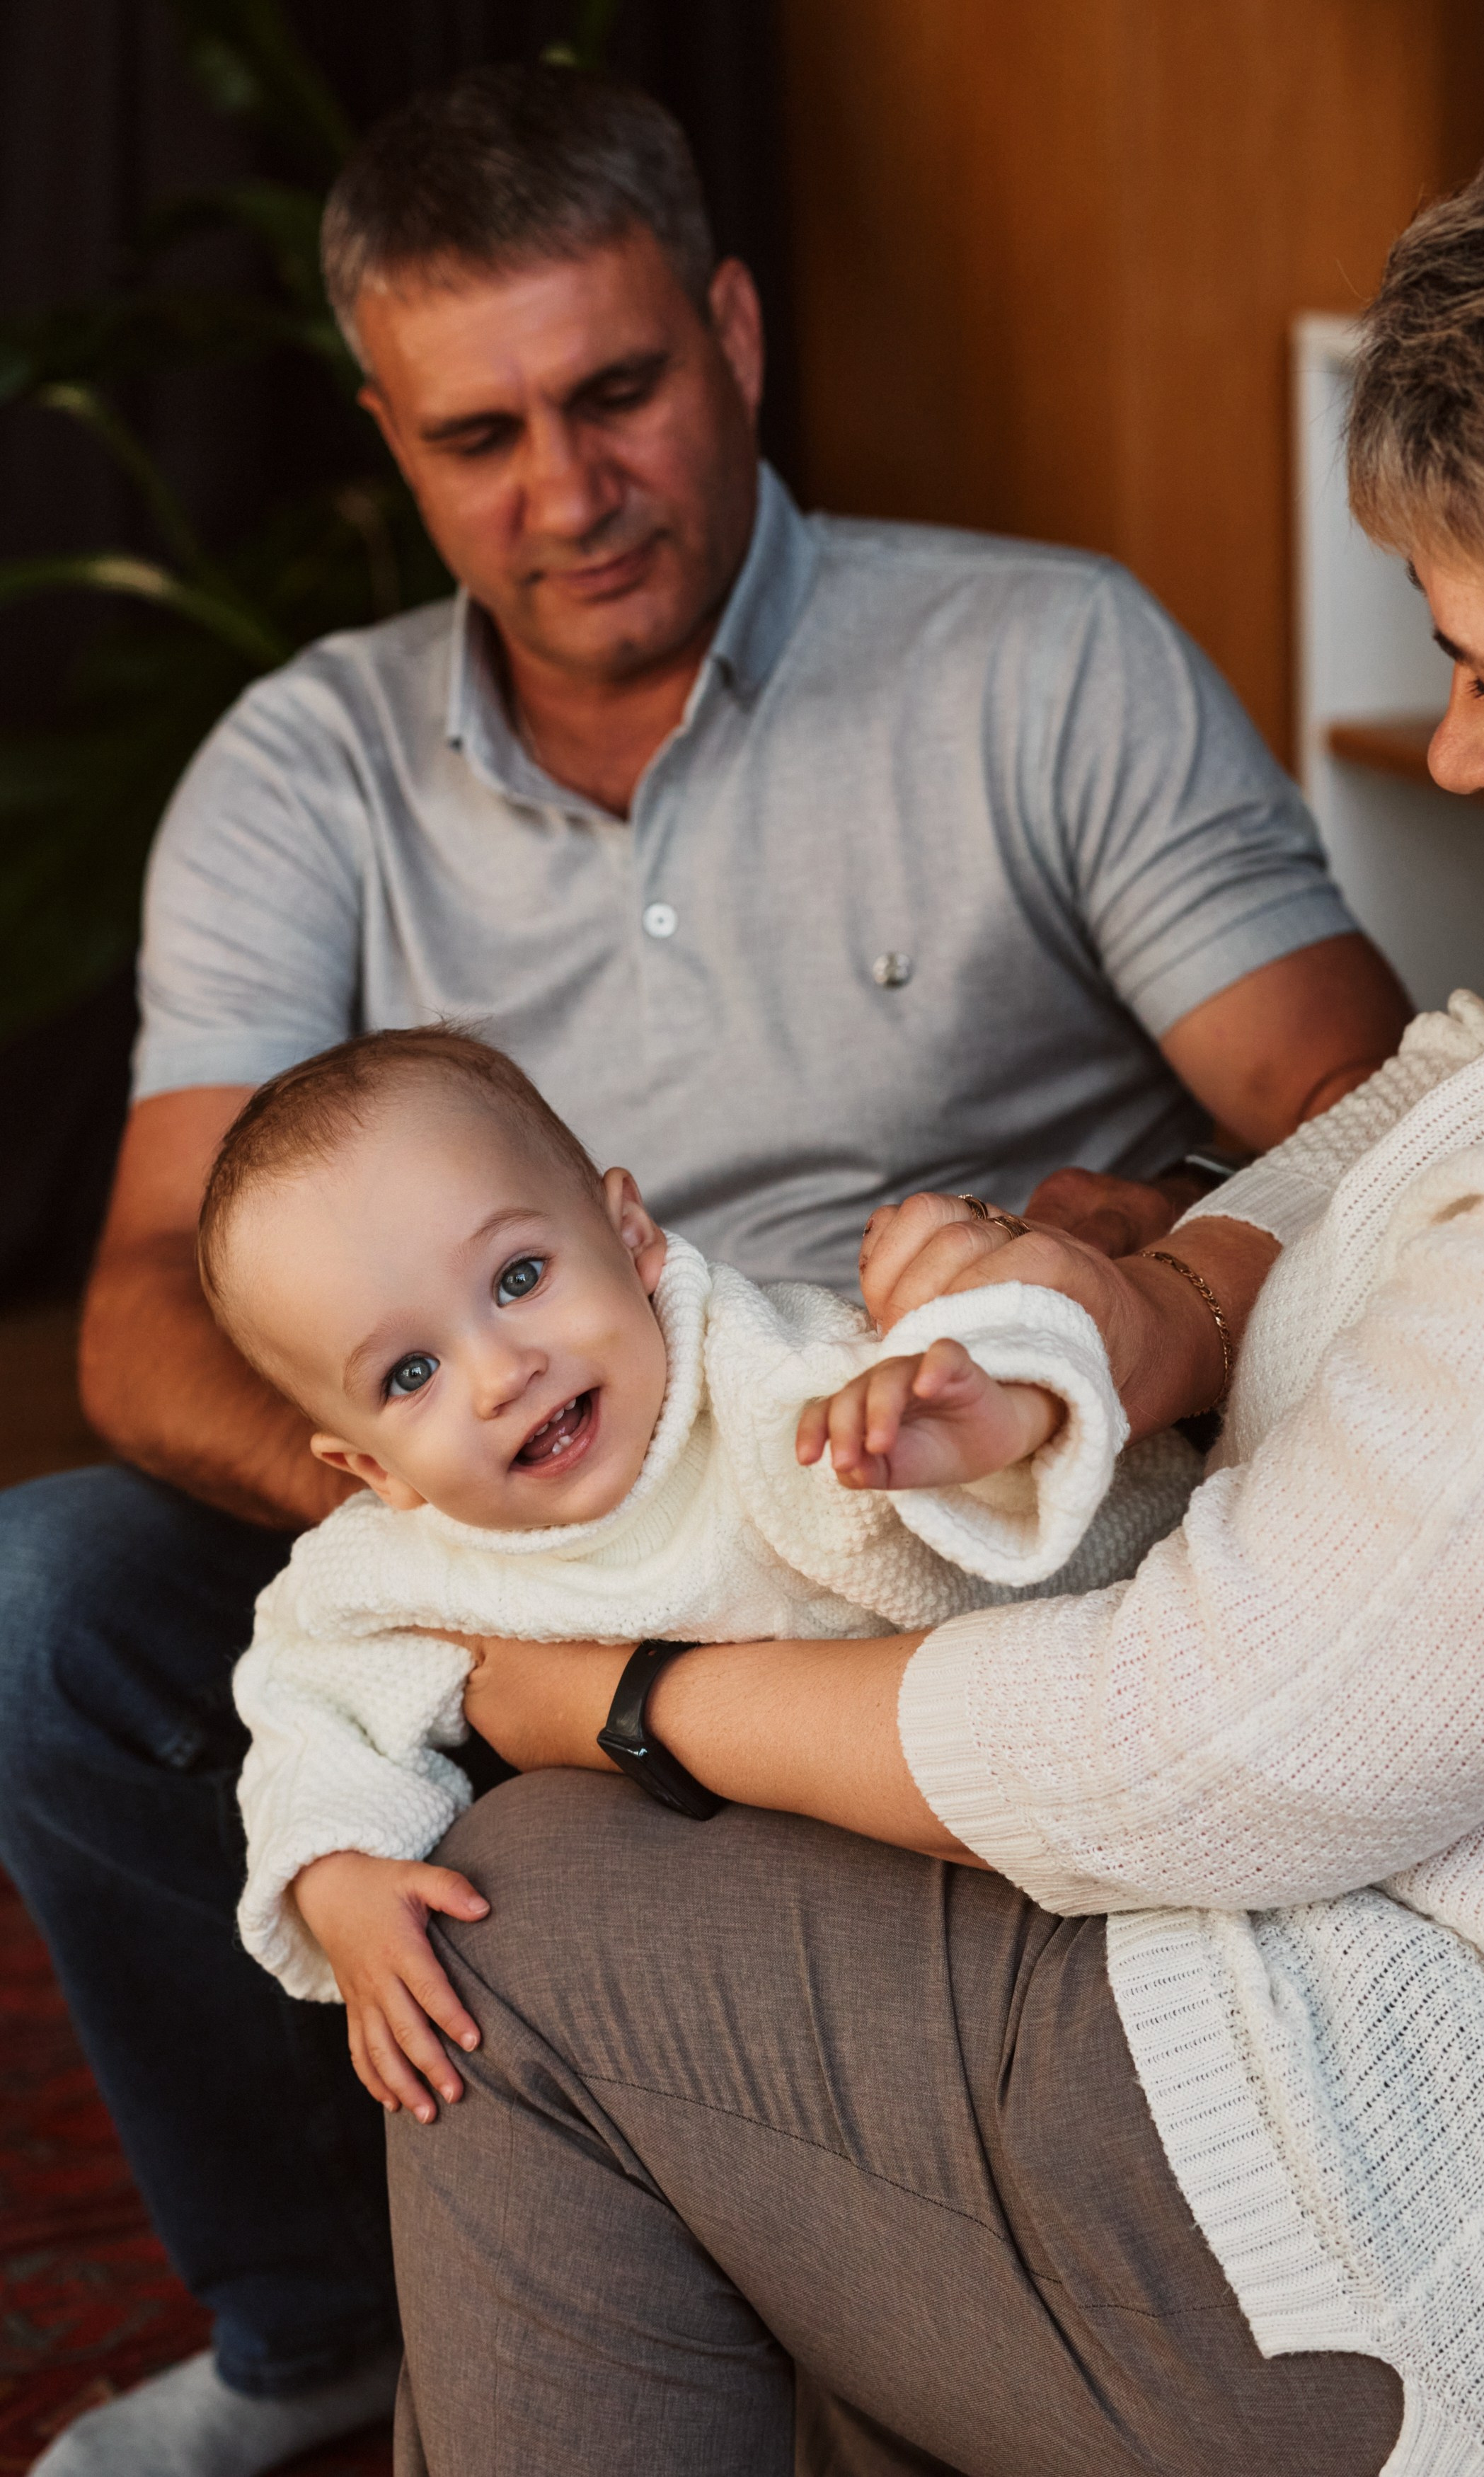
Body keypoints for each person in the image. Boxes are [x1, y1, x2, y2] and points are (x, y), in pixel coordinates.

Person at [3, 59, 1408, 2477]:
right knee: (52, 1603)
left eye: (620, 390)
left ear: (735, 328)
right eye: (478, 437)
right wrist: (460, 1538)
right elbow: (143, 1291)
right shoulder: (302, 769)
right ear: (384, 439)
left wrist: (1118, 1264)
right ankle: (314, 2310)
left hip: (908, 1483)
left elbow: (1355, 1117)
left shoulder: (1034, 658)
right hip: (482, 1491)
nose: (567, 494)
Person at [379, 93, 1484, 2477]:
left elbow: (1182, 1747)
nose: (1459, 754)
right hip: (1312, 1884)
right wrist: (1133, 1303)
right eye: (475, 431)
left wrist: (610, 1694)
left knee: (521, 1908)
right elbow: (1446, 1079)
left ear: (732, 339)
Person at [201, 1027, 1190, 2081]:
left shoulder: (783, 1386)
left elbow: (1089, 1510)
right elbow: (306, 1707)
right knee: (485, 1917)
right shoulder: (404, 1570)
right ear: (371, 1470)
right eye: (409, 1375)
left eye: (520, 1276)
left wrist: (974, 1437)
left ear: (631, 1236)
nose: (500, 1373)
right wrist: (337, 1873)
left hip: (1029, 1788)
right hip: (779, 1887)